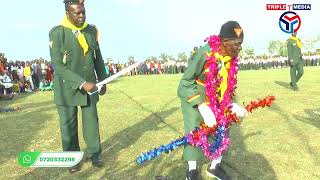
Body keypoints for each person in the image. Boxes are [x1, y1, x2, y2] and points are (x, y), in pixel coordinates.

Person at [177, 21, 248, 180]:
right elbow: (185, 83)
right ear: (224, 42)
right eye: (236, 44)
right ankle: (192, 171)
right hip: (196, 95)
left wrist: (231, 104)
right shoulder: (205, 53)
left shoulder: (231, 57)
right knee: (196, 131)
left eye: (241, 43)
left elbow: (226, 83)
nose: (239, 48)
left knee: (223, 127)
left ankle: (215, 167)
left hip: (218, 98)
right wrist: (201, 106)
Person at [49, 0, 107, 173]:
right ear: (68, 13)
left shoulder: (91, 30)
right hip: (67, 88)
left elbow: (98, 57)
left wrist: (103, 80)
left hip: (90, 86)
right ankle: (71, 159)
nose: (81, 16)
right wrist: (82, 83)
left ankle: (94, 153)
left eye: (83, 12)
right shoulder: (57, 33)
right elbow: (58, 66)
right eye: (77, 13)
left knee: (91, 122)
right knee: (68, 126)